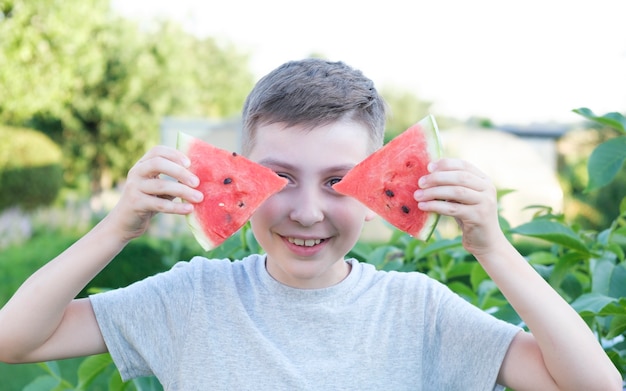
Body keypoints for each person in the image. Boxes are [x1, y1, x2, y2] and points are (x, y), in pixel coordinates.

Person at [0, 58, 621, 391]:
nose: (306, 210)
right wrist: (117, 229)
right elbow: (15, 342)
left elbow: (594, 386)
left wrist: (495, 250)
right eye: (277, 178)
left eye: (337, 181)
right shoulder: (189, 299)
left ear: (384, 177)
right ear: (237, 174)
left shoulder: (423, 312)